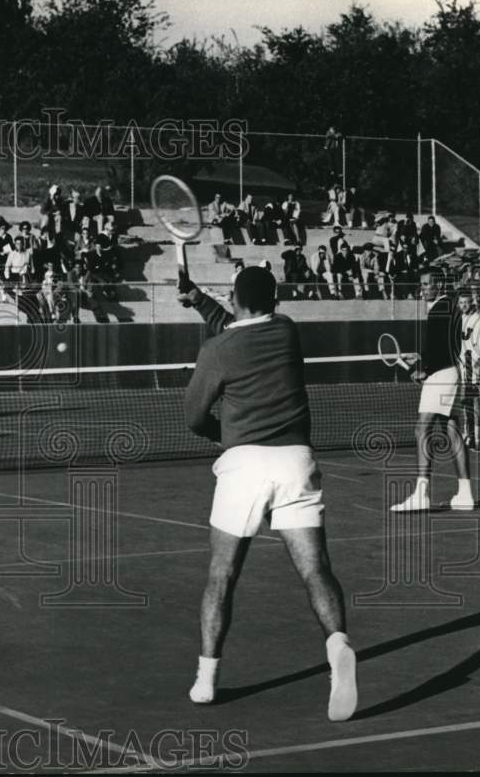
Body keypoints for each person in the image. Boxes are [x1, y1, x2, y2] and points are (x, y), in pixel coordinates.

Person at [178, 266, 356, 722]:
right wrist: (198, 298)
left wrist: (228, 434)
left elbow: (195, 417)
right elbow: (242, 324)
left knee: (222, 575)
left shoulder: (217, 349)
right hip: (296, 461)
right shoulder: (286, 331)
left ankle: (206, 678)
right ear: (273, 301)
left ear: (235, 298)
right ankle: (338, 647)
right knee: (316, 571)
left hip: (244, 465)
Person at [391, 268, 475, 512]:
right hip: (449, 372)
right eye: (422, 284)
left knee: (421, 429)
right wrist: (421, 360)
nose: (422, 288)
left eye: (427, 284)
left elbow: (440, 350)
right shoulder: (450, 306)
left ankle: (421, 493)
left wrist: (422, 369)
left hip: (441, 373)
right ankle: (465, 494)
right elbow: (445, 346)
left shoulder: (439, 309)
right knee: (451, 429)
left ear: (438, 284)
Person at [457, 288, 480, 449]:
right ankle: (467, 433)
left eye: (466, 302)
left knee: (473, 398)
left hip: (471, 366)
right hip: (461, 365)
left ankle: (476, 436)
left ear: (471, 303)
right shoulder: (459, 319)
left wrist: (472, 360)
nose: (463, 305)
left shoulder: (478, 319)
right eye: (461, 303)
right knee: (463, 399)